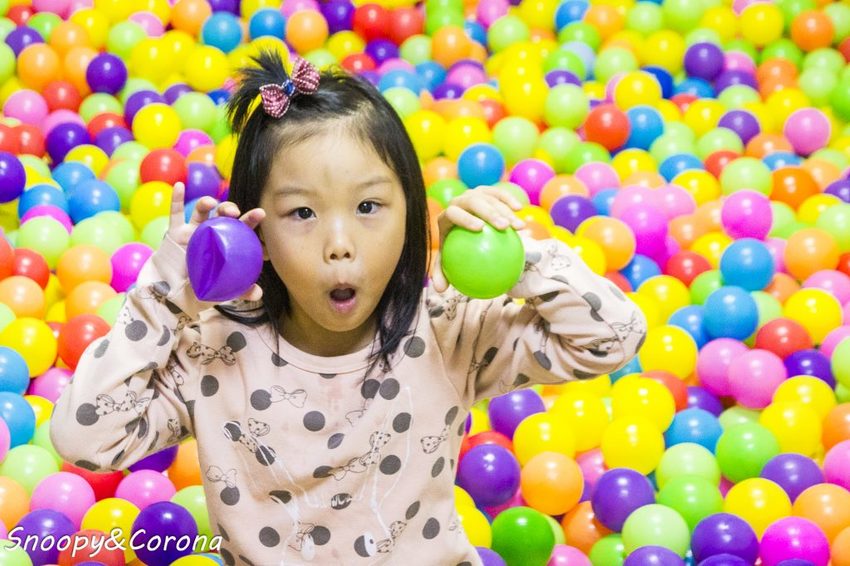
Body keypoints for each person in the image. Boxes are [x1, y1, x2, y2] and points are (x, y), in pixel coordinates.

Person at [50, 51, 646, 565]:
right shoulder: (214, 351)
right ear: (254, 232)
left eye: (369, 207)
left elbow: (613, 337)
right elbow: (86, 439)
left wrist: (519, 259)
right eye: (302, 213)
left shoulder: (445, 327)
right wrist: (164, 295)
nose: (340, 243)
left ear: (413, 212)